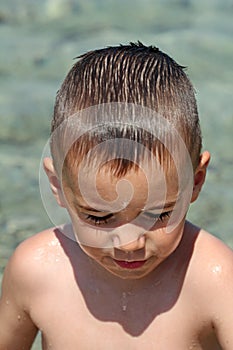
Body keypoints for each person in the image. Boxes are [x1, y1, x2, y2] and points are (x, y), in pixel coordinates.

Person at [0, 42, 233, 350]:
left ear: (197, 181)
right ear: (57, 185)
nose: (129, 242)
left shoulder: (214, 279)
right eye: (99, 216)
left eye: (158, 214)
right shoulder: (36, 272)